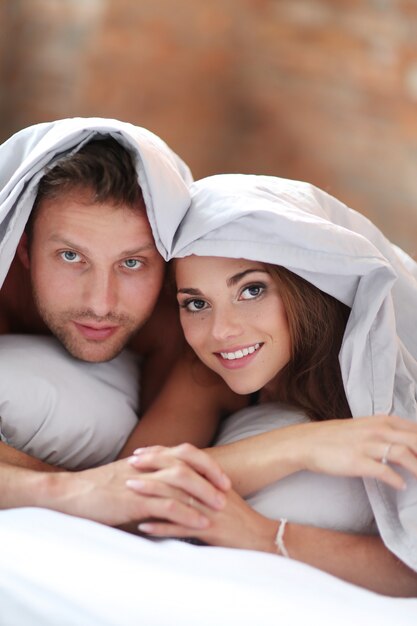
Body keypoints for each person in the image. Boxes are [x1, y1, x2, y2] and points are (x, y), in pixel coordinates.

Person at [127, 173, 417, 596]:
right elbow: (130, 489)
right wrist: (299, 446)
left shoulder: (384, 371)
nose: (222, 331)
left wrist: (262, 536)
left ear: (306, 284)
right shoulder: (207, 375)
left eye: (251, 290)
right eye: (196, 303)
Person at [0, 117, 230, 528]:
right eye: (71, 257)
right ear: (24, 249)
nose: (102, 303)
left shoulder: (184, 328)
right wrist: (62, 491)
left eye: (132, 263)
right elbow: (106, 493)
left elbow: (136, 502)